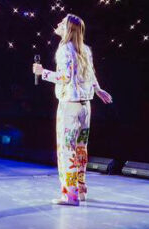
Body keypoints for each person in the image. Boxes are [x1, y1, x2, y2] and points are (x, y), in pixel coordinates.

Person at [33, 14, 113, 205]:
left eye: (62, 22)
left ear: (68, 29)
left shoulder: (64, 49)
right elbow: (91, 74)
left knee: (67, 149)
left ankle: (70, 195)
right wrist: (98, 90)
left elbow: (64, 77)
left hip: (70, 107)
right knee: (81, 149)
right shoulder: (85, 49)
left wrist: (42, 72)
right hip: (86, 107)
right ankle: (81, 189)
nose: (58, 23)